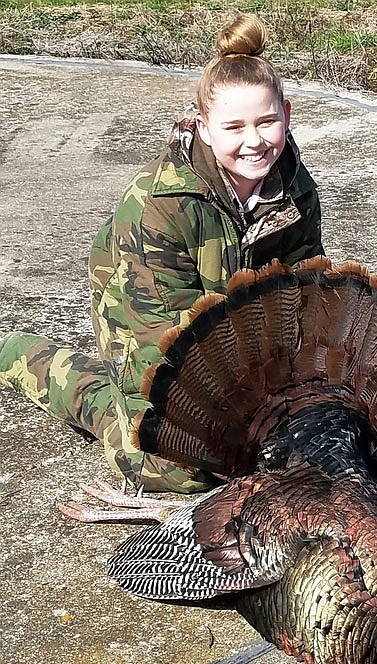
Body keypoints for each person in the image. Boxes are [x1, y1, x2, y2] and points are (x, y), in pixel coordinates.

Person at [0, 13, 323, 494]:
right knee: (178, 467)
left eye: (267, 122)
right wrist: (241, 419)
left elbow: (305, 293)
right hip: (142, 318)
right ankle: (31, 359)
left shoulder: (295, 187)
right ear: (203, 127)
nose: (254, 141)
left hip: (239, 336)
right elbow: (166, 339)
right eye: (233, 126)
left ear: (287, 116)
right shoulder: (160, 204)